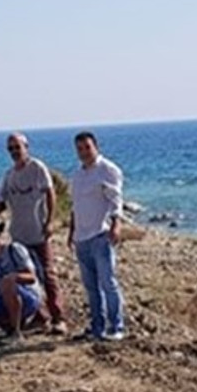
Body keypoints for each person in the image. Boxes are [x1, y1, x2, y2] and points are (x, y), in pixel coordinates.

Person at [0, 132, 67, 335]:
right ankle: (40, 316)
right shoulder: (9, 175)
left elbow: (50, 193)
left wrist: (49, 222)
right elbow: (2, 202)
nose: (14, 152)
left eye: (17, 147)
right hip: (19, 236)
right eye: (10, 148)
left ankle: (59, 317)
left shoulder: (37, 168)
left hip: (38, 233)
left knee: (48, 274)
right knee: (28, 277)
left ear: (26, 147)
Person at [67, 131, 126, 341]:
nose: (84, 152)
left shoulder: (108, 170)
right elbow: (75, 206)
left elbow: (115, 200)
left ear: (96, 146)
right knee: (91, 287)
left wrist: (116, 224)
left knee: (108, 282)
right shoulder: (77, 175)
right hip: (81, 237)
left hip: (100, 235)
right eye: (80, 149)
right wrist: (71, 232)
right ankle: (97, 327)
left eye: (87, 147)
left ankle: (116, 326)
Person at [0, 218, 40, 343]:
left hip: (25, 294)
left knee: (8, 284)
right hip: (2, 297)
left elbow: (31, 277)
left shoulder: (14, 249)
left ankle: (16, 332)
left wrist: (13, 277)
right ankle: (0, 325)